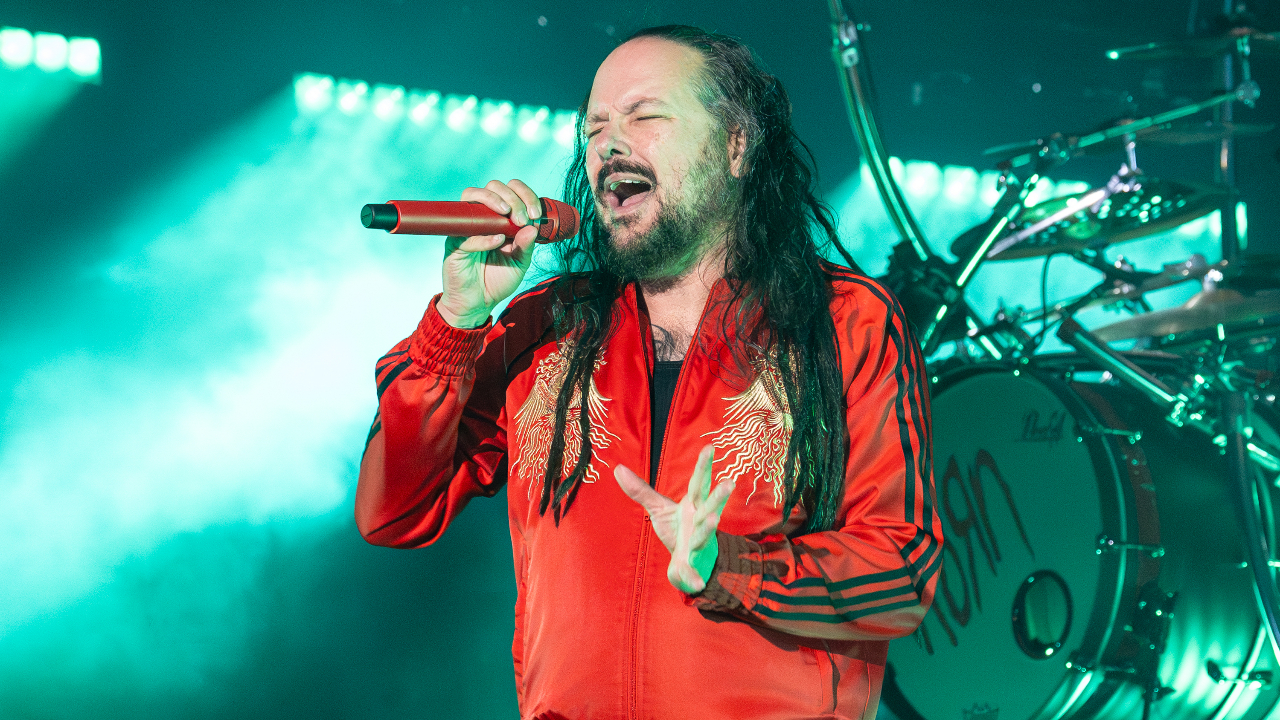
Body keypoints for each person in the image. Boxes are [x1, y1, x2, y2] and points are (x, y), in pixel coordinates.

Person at [355, 24, 941, 720]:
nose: (609, 143)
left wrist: (731, 568)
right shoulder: (545, 327)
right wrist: (455, 321)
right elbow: (395, 510)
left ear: (736, 146)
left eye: (646, 115)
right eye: (594, 125)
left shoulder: (845, 321)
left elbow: (900, 571)